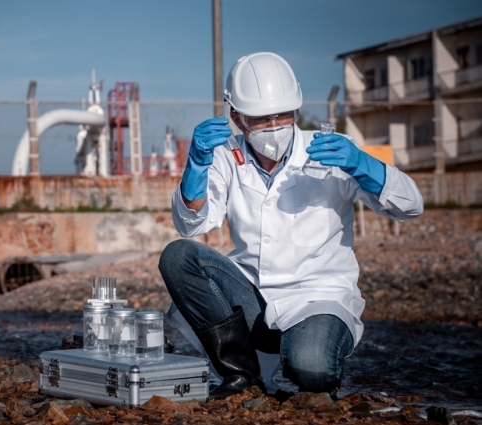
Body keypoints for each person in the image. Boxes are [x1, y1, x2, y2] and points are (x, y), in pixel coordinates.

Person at [159, 52, 424, 398]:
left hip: (318, 298)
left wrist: (361, 164)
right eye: (261, 119)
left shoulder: (328, 150)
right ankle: (243, 375)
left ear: (296, 110)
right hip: (253, 300)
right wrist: (195, 165)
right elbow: (191, 224)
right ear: (238, 118)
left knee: (312, 370)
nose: (274, 126)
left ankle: (307, 348)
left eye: (282, 115)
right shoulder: (227, 156)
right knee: (179, 256)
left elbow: (410, 206)